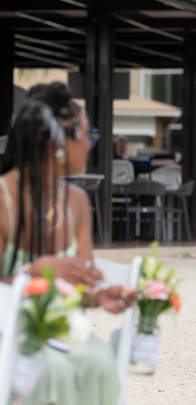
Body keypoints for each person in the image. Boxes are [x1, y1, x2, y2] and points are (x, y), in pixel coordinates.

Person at [0, 82, 136, 405]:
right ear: (58, 144)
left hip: (62, 332)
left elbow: (81, 283)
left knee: (99, 363)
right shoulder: (3, 200)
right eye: (86, 134)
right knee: (52, 371)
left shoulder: (76, 201)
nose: (90, 144)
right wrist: (32, 273)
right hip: (9, 334)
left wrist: (100, 295)